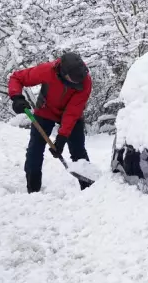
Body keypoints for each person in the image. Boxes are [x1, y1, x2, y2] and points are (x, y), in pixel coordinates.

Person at [8, 52, 93, 193]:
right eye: (73, 80)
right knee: (35, 150)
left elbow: (72, 112)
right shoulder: (47, 71)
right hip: (45, 111)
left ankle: (89, 190)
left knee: (78, 151)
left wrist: (62, 137)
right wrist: (17, 97)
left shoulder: (85, 81)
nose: (77, 83)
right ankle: (33, 190)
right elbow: (17, 77)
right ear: (64, 73)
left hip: (72, 116)